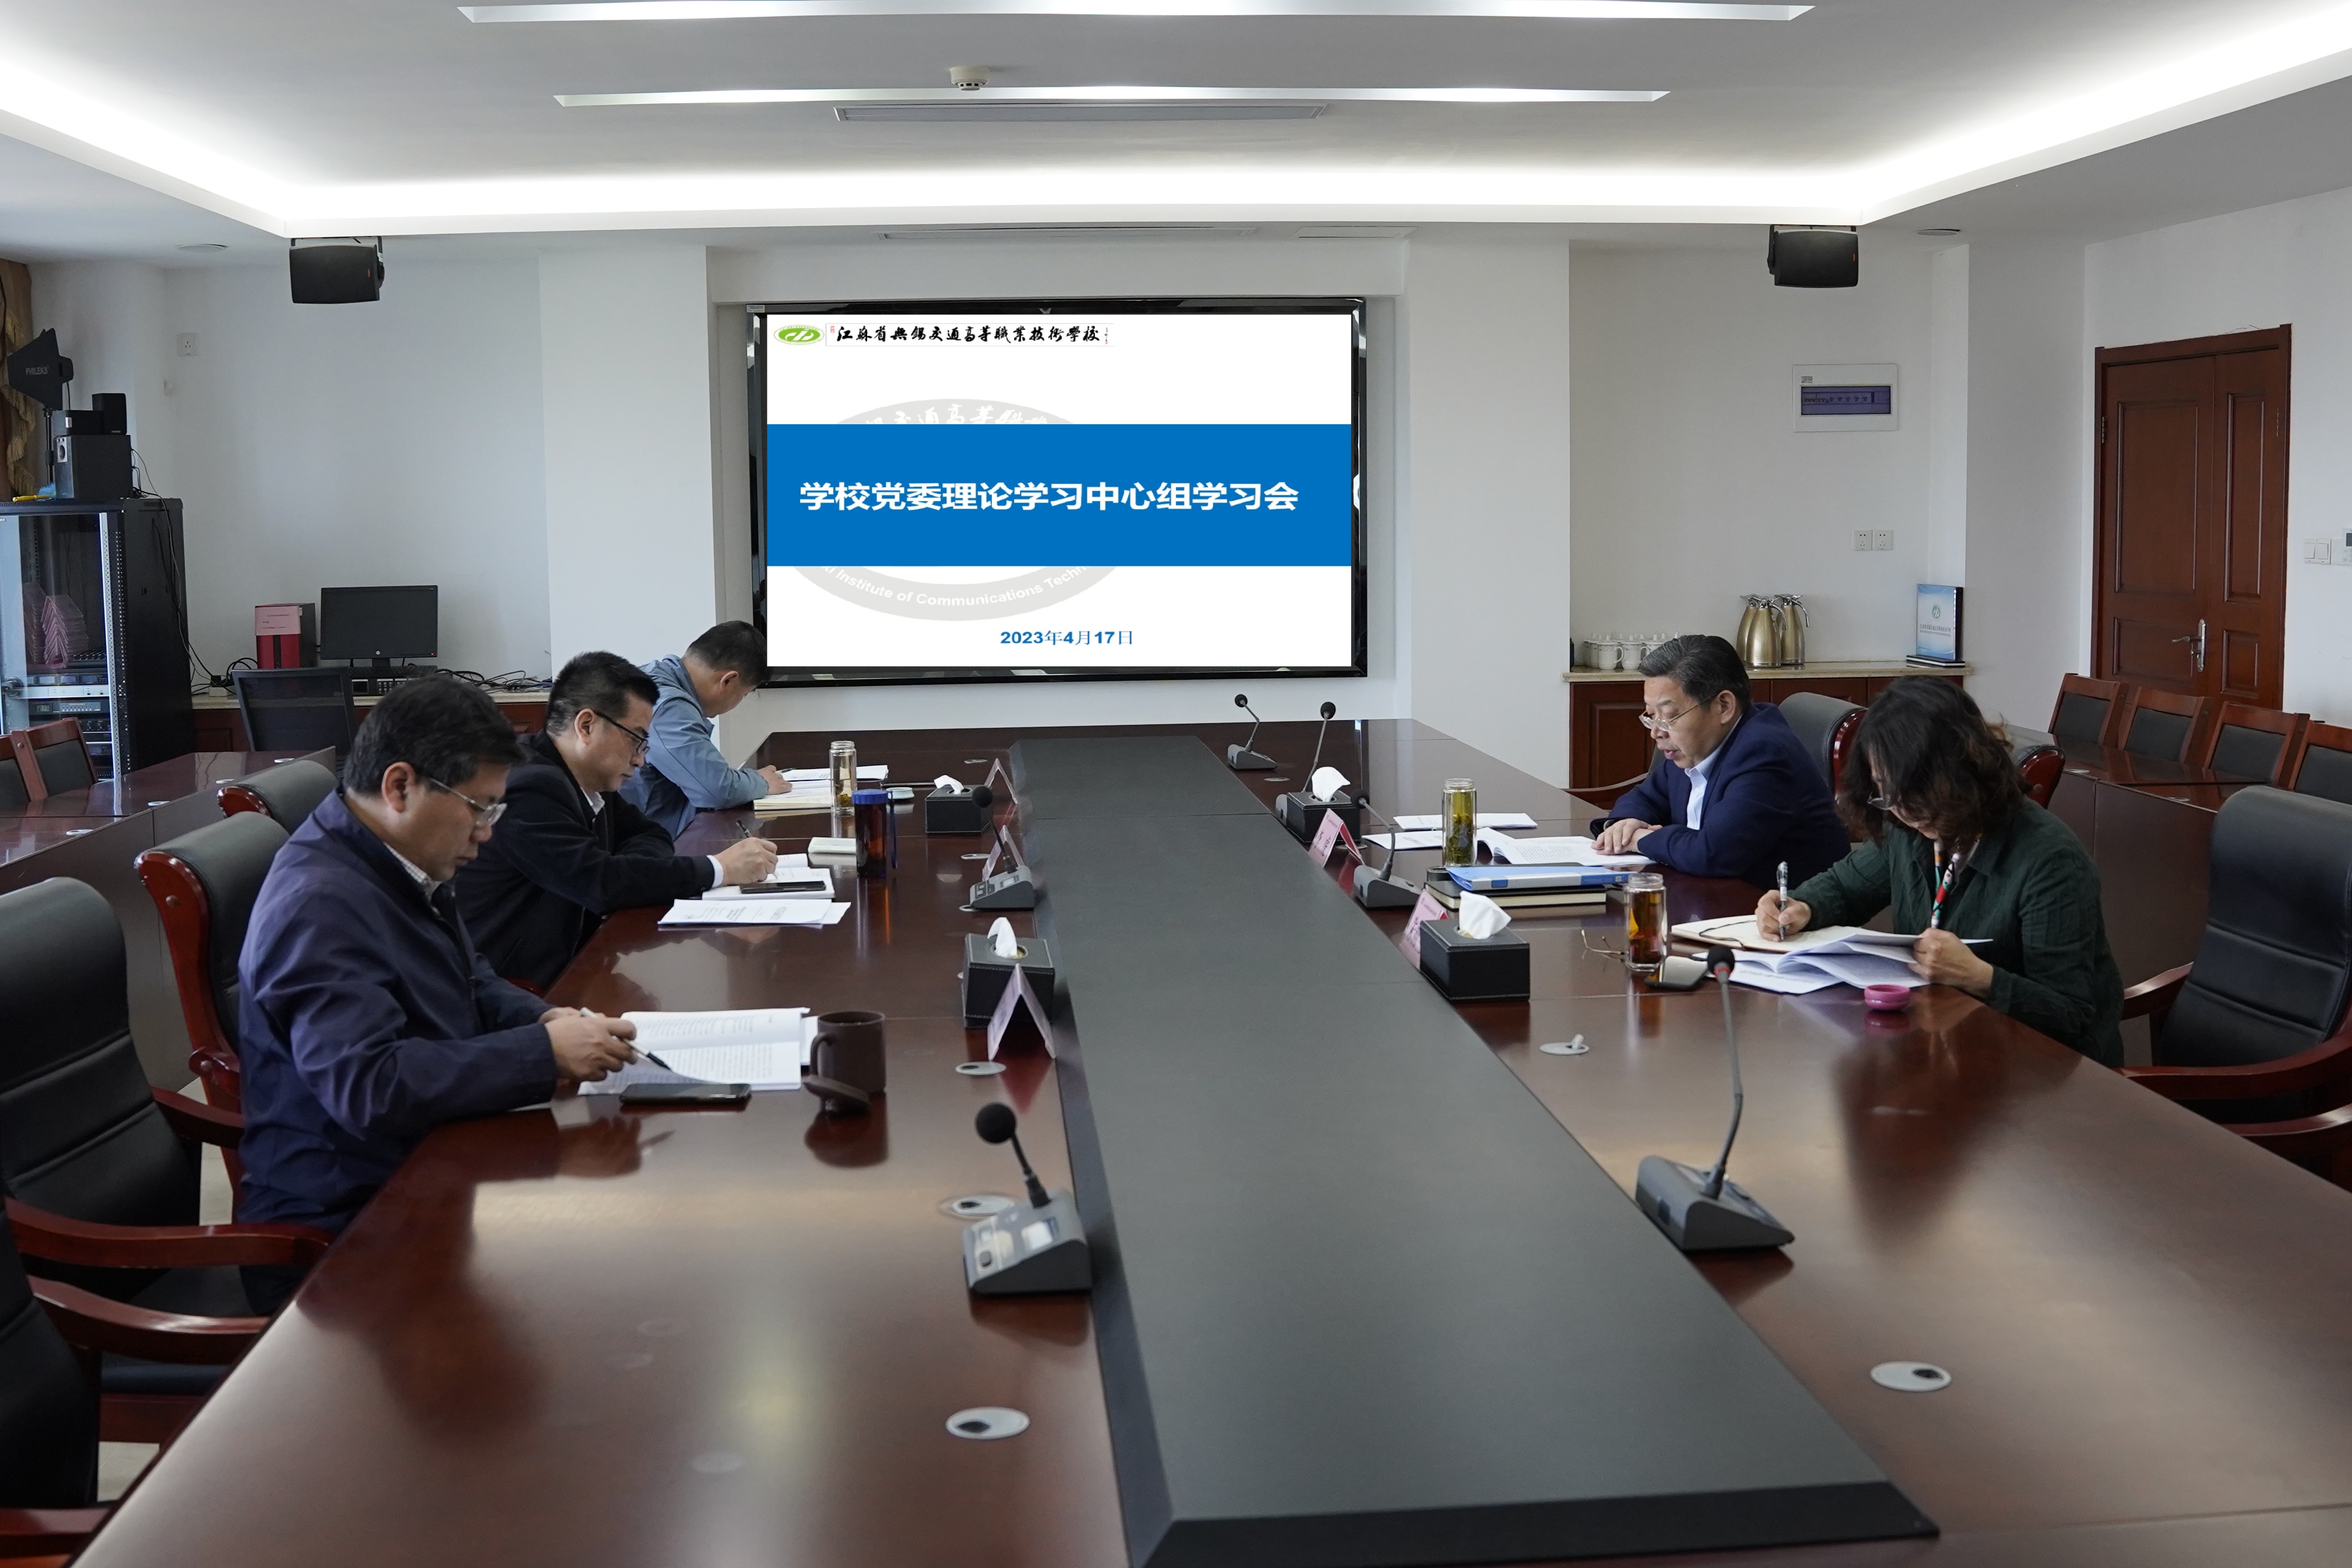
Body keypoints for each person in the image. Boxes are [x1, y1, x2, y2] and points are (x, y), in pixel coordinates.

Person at [235, 677, 641, 1296]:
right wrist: (542, 1055)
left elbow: (469, 973)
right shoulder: (319, 906)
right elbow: (368, 1086)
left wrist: (542, 1020)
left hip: (426, 1163)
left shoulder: (393, 856)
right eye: (480, 808)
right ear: (400, 786)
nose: (487, 832)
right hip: (342, 1232)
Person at [1757, 676, 2124, 1066]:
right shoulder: (1910, 827)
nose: (1903, 810)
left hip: (2043, 1074)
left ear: (1964, 770)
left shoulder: (2051, 862)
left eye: (1916, 791)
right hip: (1950, 1050)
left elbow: (2071, 1017)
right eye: (1887, 791)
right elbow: (1846, 888)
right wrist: (1802, 906)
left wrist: (1980, 977)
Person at [457, 651, 782, 991]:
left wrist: (625, 873)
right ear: (586, 726)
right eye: (636, 739)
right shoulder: (529, 788)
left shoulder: (587, 778)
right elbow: (601, 885)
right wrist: (719, 869)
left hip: (576, 966)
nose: (641, 760)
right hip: (513, 989)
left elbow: (650, 834)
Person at [1591, 634, 1849, 887]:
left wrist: (1640, 840)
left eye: (1669, 716)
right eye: (1651, 715)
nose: (1656, 732)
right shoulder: (1694, 747)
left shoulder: (1764, 754)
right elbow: (1645, 797)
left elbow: (1712, 853)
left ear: (1724, 706)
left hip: (1778, 907)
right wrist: (1625, 825)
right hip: (1706, 894)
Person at [620, 621, 791, 837]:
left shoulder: (653, 677)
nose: (740, 701)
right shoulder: (668, 707)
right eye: (745, 693)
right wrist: (761, 783)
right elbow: (716, 790)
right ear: (728, 680)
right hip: (649, 845)